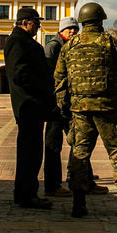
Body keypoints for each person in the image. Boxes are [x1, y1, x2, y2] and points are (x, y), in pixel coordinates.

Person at [54, 2, 117, 218]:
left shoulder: (69, 46)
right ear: (101, 20)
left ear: (83, 21)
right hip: (108, 109)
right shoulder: (112, 44)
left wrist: (64, 108)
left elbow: (60, 80)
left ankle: (78, 204)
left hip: (80, 110)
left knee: (79, 154)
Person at [43, 16, 106, 197]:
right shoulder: (53, 47)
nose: (73, 32)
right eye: (69, 29)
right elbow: (51, 77)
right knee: (54, 145)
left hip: (71, 104)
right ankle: (53, 185)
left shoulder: (72, 46)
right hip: (56, 105)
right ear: (61, 30)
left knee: (80, 142)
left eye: (75, 29)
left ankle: (83, 180)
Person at [5, 7, 57, 209]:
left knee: (31, 151)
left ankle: (24, 193)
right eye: (36, 22)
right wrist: (40, 90)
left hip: (30, 104)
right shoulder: (19, 42)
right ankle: (27, 194)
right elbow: (21, 74)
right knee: (31, 153)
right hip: (29, 105)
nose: (39, 26)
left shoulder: (21, 41)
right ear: (25, 22)